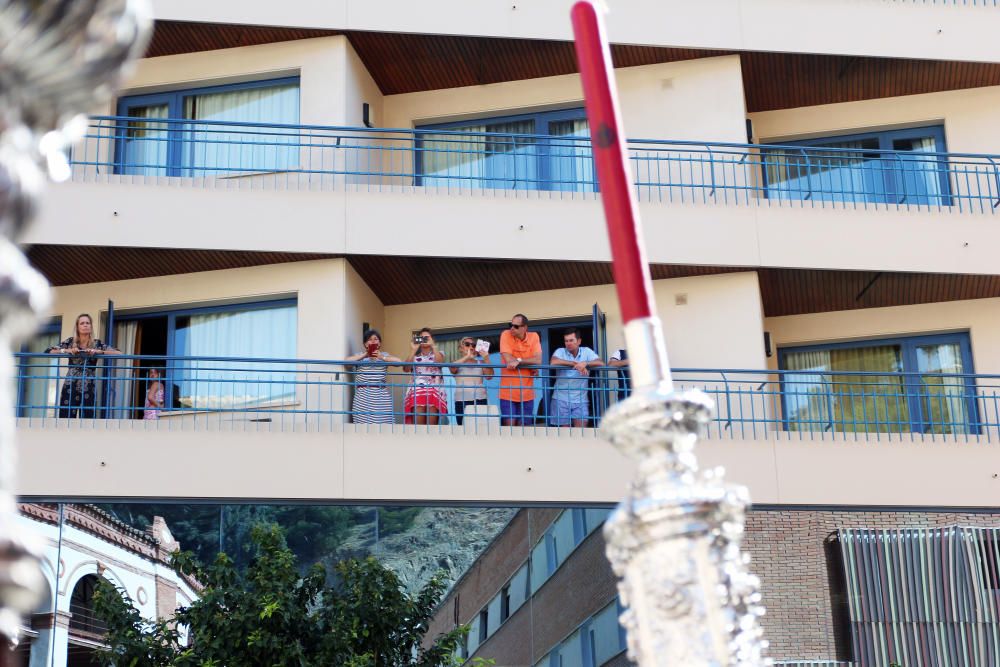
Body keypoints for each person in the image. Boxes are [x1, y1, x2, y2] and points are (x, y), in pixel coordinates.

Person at [46, 313, 121, 419]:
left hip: (88, 385)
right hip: (70, 384)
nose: (85, 325)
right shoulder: (70, 342)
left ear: (91, 326)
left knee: (88, 419)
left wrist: (98, 352)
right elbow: (49, 351)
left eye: (87, 323)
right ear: (77, 327)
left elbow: (119, 353)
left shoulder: (96, 343)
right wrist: (68, 350)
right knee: (66, 418)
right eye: (82, 323)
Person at [549, 328, 602, 427]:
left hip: (581, 400)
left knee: (580, 434)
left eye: (571, 340)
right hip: (561, 398)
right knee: (565, 437)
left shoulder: (586, 351)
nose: (568, 343)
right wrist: (575, 364)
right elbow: (553, 362)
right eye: (566, 341)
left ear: (579, 341)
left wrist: (586, 363)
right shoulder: (560, 351)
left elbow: (600, 363)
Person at [345, 329, 401, 424]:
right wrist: (365, 355)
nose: (373, 341)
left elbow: (399, 362)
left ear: (379, 343)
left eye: (376, 339)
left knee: (384, 426)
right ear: (365, 344)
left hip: (381, 397)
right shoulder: (359, 356)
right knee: (363, 427)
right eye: (370, 339)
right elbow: (346, 363)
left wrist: (381, 357)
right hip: (363, 397)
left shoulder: (384, 356)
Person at [499, 313, 542, 426]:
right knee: (510, 429)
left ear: (525, 328)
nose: (512, 328)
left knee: (525, 429)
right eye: (511, 325)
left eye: (516, 326)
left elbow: (538, 360)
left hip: (527, 393)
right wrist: (528, 362)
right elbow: (508, 360)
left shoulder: (534, 336)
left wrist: (519, 361)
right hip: (507, 393)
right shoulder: (505, 334)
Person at [404, 327, 447, 425]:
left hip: (434, 390)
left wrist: (433, 346)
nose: (424, 339)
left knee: (432, 427)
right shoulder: (415, 357)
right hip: (418, 391)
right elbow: (406, 368)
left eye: (427, 337)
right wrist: (413, 350)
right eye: (422, 337)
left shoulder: (439, 353)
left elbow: (440, 362)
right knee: (419, 428)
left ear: (432, 339)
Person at [452, 336, 493, 425]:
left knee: (481, 427)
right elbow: (452, 368)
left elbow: (489, 376)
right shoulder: (456, 362)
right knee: (462, 427)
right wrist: (467, 357)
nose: (471, 347)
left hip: (480, 398)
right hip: (461, 399)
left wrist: (486, 358)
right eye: (467, 344)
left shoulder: (481, 362)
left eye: (473, 345)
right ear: (460, 348)